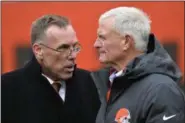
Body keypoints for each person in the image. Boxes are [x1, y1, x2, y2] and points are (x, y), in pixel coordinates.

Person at [91, 7, 185, 123]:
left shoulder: (162, 89)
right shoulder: (111, 85)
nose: (96, 44)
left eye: (102, 37)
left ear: (126, 42)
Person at [2, 14, 100, 123]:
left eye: (75, 47)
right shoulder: (6, 88)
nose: (73, 55)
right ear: (38, 50)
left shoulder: (90, 82)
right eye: (63, 48)